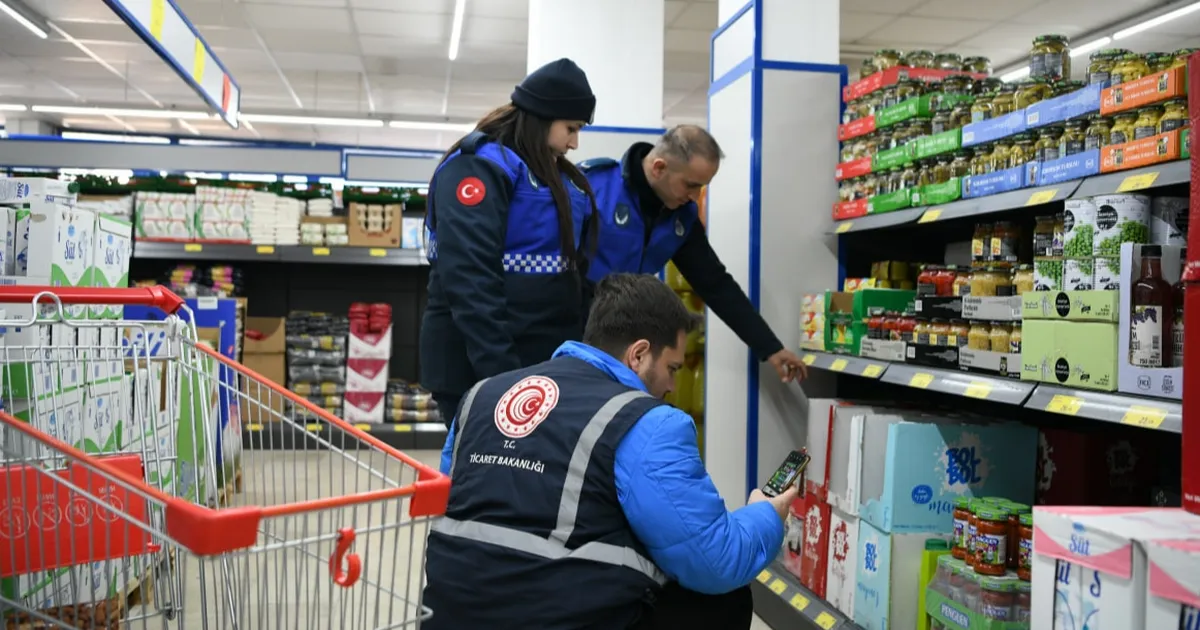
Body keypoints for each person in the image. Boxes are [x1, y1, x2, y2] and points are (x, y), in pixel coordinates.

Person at [423, 273, 799, 630]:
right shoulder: (647, 421)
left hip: (448, 614)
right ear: (638, 355)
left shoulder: (482, 395)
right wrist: (765, 514)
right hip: (549, 619)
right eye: (671, 367)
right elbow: (716, 560)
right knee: (725, 599)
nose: (671, 384)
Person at [419, 58, 600, 427]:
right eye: (571, 127)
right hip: (481, 369)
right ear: (544, 116)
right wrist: (503, 377)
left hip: (538, 368)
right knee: (481, 480)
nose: (575, 142)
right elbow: (470, 278)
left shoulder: (555, 177)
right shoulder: (479, 167)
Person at [579, 125, 808, 384]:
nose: (695, 197)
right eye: (691, 185)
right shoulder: (592, 188)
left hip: (624, 340)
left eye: (702, 187)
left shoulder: (682, 218)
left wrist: (770, 347)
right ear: (659, 168)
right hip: (573, 330)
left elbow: (715, 284)